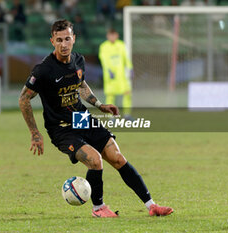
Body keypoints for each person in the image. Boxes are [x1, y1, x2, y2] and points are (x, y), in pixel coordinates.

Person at [18, 19, 173, 218]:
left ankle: (151, 206)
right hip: (62, 128)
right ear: (52, 41)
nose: (63, 44)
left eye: (67, 39)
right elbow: (24, 99)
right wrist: (34, 133)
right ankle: (98, 208)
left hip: (82, 118)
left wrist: (100, 105)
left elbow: (81, 86)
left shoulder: (78, 61)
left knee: (117, 158)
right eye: (59, 40)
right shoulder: (44, 70)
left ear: (74, 39)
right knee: (94, 159)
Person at [99, 28, 133, 118]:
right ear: (108, 36)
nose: (112, 37)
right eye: (110, 35)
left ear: (117, 35)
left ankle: (127, 114)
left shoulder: (121, 45)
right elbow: (103, 60)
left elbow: (126, 57)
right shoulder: (104, 46)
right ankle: (111, 116)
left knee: (127, 93)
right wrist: (109, 70)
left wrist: (130, 68)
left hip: (121, 76)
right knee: (110, 96)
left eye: (114, 35)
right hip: (110, 76)